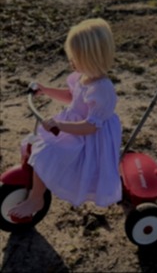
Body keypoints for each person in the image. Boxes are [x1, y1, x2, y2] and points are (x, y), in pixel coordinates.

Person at [8, 18, 122, 222]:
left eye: (75, 58)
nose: (71, 62)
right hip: (74, 128)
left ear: (90, 59)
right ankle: (36, 183)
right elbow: (71, 96)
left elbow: (90, 126)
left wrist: (60, 125)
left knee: (47, 153)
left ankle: (36, 199)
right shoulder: (82, 77)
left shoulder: (102, 90)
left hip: (88, 138)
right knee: (37, 145)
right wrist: (45, 90)